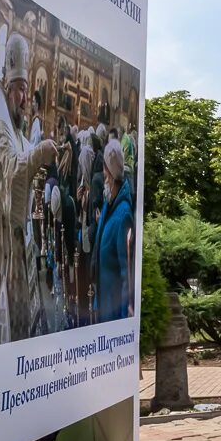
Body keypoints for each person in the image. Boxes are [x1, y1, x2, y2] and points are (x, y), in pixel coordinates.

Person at [0, 33, 57, 346]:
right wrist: (37, 156)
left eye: (26, 90)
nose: (25, 97)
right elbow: (6, 174)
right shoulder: (1, 132)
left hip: (21, 250)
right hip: (5, 250)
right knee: (2, 333)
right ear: (7, 90)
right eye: (20, 89)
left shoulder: (18, 134)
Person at [93, 138, 133, 323]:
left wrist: (124, 323)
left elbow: (126, 275)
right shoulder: (109, 204)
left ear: (110, 173)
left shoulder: (123, 215)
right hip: (103, 308)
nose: (103, 177)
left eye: (104, 171)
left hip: (114, 316)